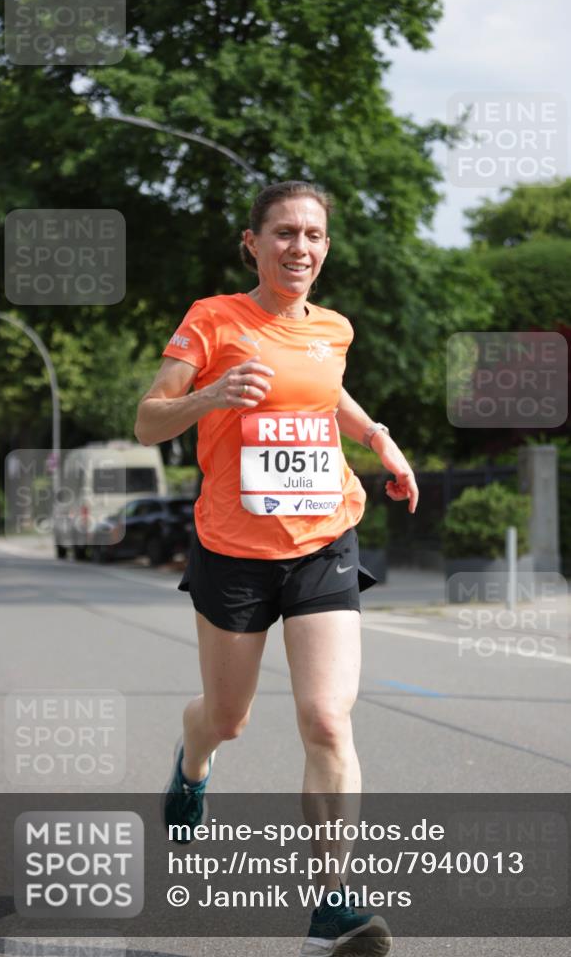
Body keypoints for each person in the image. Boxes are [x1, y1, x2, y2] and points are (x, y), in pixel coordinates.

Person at [135, 181, 418, 957]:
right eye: (285, 233)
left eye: (314, 235)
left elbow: (324, 393)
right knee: (229, 718)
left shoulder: (333, 328)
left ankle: (332, 904)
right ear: (252, 243)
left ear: (326, 247)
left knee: (328, 717)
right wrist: (214, 393)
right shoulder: (213, 319)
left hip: (325, 536)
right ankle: (194, 763)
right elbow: (146, 417)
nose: (301, 247)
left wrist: (378, 438)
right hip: (233, 547)